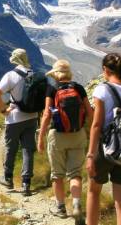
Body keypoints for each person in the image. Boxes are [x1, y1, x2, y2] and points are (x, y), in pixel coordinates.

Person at [86, 53, 121, 225]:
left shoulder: (102, 90)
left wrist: (90, 155)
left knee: (94, 191)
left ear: (105, 70)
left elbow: (96, 124)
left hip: (104, 148)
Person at [36, 60, 91, 219]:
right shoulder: (78, 88)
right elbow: (89, 112)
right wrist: (88, 131)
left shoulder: (52, 89)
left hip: (57, 136)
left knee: (57, 174)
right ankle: (76, 205)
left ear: (55, 75)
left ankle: (60, 208)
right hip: (78, 135)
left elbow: (47, 114)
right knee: (75, 173)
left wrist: (40, 137)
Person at [0, 48, 40, 196]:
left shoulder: (11, 75)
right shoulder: (35, 75)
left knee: (10, 148)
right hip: (32, 117)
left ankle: (8, 178)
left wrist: (3, 110)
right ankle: (26, 183)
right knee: (28, 150)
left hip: (14, 118)